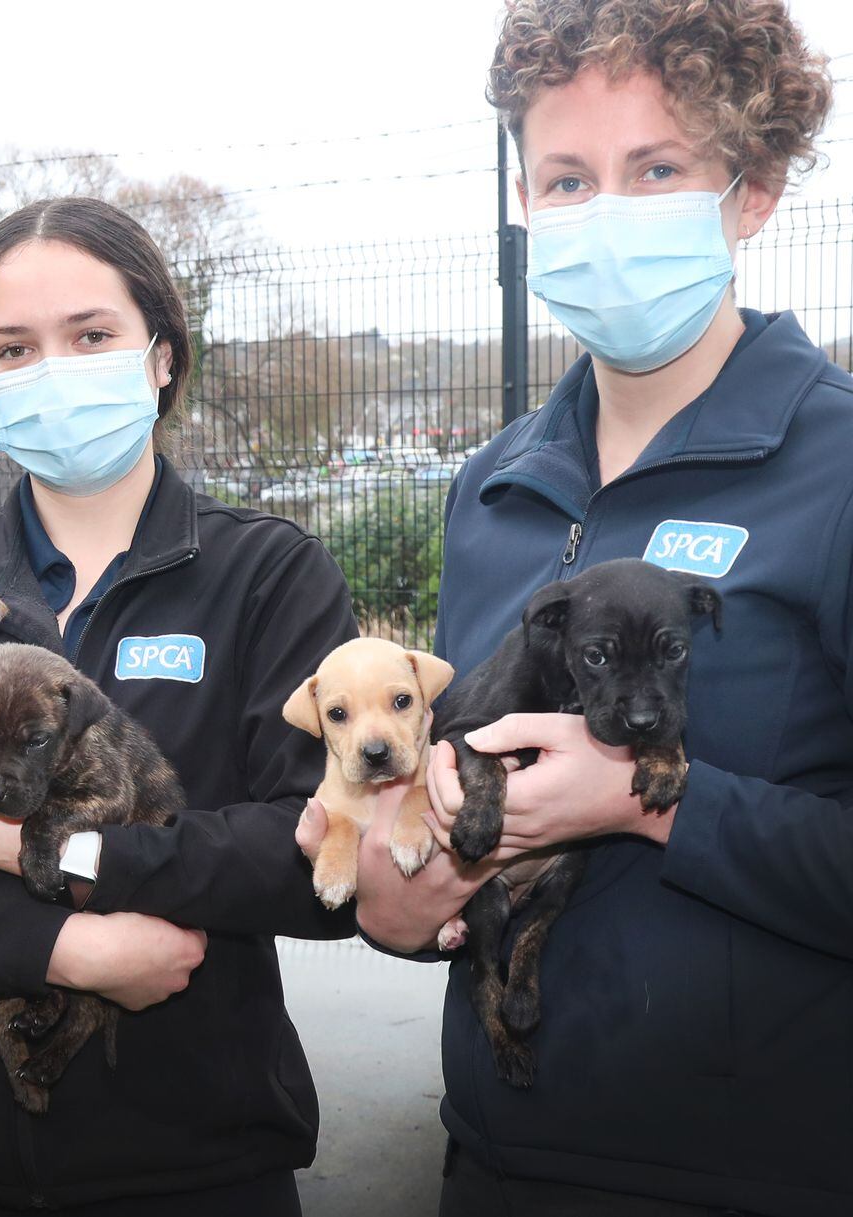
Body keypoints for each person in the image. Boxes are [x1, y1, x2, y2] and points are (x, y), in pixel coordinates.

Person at [333, 2, 849, 1213]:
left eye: (656, 168)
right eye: (566, 178)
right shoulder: (493, 486)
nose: (604, 214)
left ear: (755, 185)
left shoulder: (835, 466)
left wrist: (652, 804)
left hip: (760, 1172)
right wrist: (401, 900)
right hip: (498, 1155)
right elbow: (444, 789)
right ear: (524, 200)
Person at [0, 196, 360, 1216]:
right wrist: (65, 946)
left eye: (91, 334)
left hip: (202, 1163)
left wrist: (77, 856)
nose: (52, 368)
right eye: (14, 347)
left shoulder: (267, 573)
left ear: (162, 355)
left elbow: (307, 849)